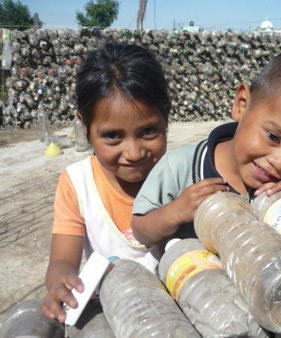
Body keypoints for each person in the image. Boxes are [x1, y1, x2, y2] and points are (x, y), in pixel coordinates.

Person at [131, 49, 281, 248]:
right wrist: (175, 212)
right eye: (274, 137)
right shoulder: (180, 168)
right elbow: (141, 230)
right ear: (242, 104)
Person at [41, 42, 171, 323]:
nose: (134, 153)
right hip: (115, 312)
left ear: (167, 118)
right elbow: (62, 260)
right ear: (85, 128)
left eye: (148, 131)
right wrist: (60, 283)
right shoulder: (77, 184)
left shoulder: (180, 174)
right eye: (113, 135)